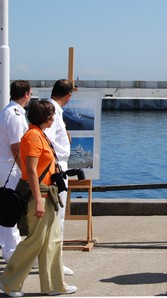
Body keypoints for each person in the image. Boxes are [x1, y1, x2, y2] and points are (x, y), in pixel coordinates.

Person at [0, 100, 77, 297]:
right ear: (44, 117)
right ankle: (9, 282)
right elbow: (32, 172)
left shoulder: (40, 134)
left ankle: (54, 285)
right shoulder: (33, 137)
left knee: (52, 240)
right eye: (51, 115)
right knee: (35, 241)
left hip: (46, 193)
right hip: (40, 194)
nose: (53, 117)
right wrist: (38, 200)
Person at [43, 79, 74, 276]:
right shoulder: (52, 112)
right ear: (69, 96)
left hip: (54, 166)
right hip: (56, 168)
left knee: (53, 217)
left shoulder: (50, 108)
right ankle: (54, 262)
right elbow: (48, 141)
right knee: (57, 216)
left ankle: (49, 259)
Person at [0, 80, 31, 263]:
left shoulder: (7, 111)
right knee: (11, 208)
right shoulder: (16, 115)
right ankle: (12, 250)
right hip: (11, 166)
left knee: (5, 207)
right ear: (26, 94)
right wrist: (26, 171)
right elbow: (17, 147)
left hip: (6, 165)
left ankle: (7, 247)